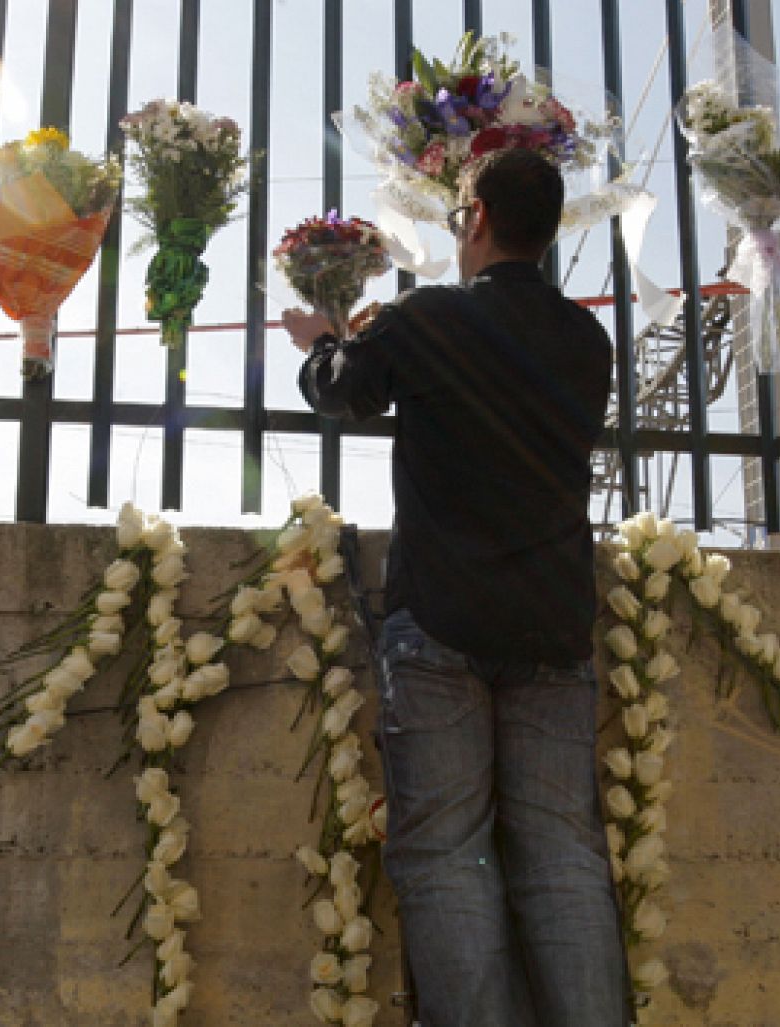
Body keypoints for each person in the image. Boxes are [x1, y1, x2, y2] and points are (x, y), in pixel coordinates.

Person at [283, 147, 626, 1027]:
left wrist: (326, 341)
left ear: (474, 217)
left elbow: (348, 393)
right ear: (549, 232)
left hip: (440, 620)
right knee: (562, 857)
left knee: (444, 854)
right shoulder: (587, 340)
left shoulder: (427, 317)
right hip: (552, 626)